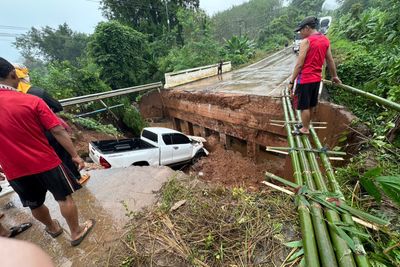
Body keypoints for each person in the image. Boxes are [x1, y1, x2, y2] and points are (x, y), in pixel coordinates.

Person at [0, 57, 95, 246]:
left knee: (35, 203)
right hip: (45, 161)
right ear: (13, 74)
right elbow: (58, 130)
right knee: (64, 197)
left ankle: (53, 228)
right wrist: (75, 155)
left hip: (14, 169)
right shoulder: (31, 100)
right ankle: (76, 232)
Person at [14, 64, 90, 185]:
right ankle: (75, 179)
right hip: (48, 132)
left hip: (29, 138)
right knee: (63, 154)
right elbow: (57, 106)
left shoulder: (8, 98)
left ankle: (58, 183)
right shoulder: (37, 92)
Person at [288, 16, 342, 135]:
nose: (300, 33)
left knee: (303, 106)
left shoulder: (306, 41)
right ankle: (306, 123)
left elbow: (299, 64)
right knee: (311, 104)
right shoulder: (325, 40)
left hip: (305, 78)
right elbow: (330, 60)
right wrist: (334, 76)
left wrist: (291, 81)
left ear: (307, 28)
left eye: (301, 30)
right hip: (316, 79)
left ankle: (305, 129)